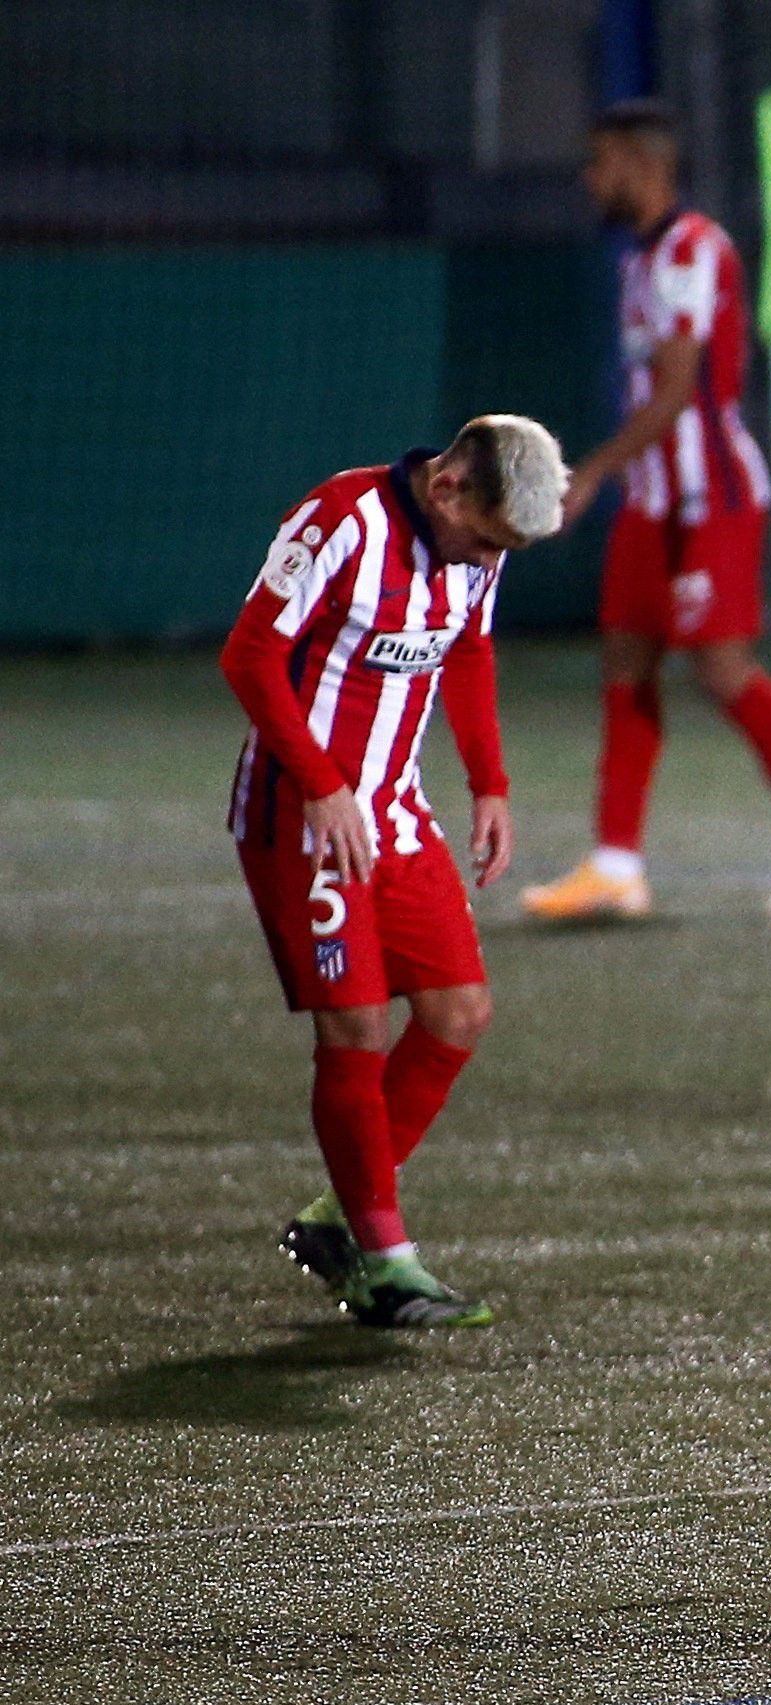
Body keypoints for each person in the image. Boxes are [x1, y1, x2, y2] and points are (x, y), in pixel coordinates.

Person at [222, 415, 567, 1328]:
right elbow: (249, 656)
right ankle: (384, 1260)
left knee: (460, 1013)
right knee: (358, 1030)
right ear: (448, 486)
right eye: (483, 539)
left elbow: (471, 650)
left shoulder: (474, 547)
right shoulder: (341, 518)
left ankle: (341, 1218)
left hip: (392, 811)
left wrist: (489, 784)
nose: (481, 560)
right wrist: (325, 785)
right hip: (303, 812)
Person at [523, 99, 771, 925]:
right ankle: (615, 864)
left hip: (710, 497)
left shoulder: (690, 250)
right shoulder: (639, 258)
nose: (589, 178)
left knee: (721, 671)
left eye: (600, 161)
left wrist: (593, 472)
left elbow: (678, 392)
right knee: (626, 661)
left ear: (641, 165)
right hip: (655, 498)